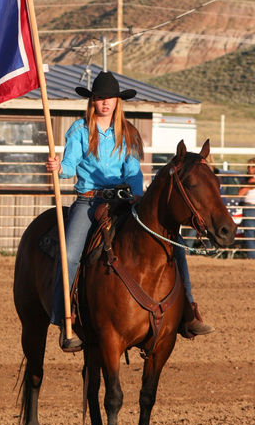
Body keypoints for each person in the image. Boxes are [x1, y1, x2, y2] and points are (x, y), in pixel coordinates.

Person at [46, 71, 213, 351]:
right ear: (92, 101)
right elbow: (70, 165)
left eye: (109, 98)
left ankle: (189, 310)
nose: (104, 103)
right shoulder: (79, 130)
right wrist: (58, 168)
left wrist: (138, 197)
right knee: (71, 254)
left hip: (124, 201)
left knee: (176, 247)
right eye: (99, 98)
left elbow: (133, 172)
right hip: (89, 201)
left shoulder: (128, 132)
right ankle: (66, 320)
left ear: (117, 101)